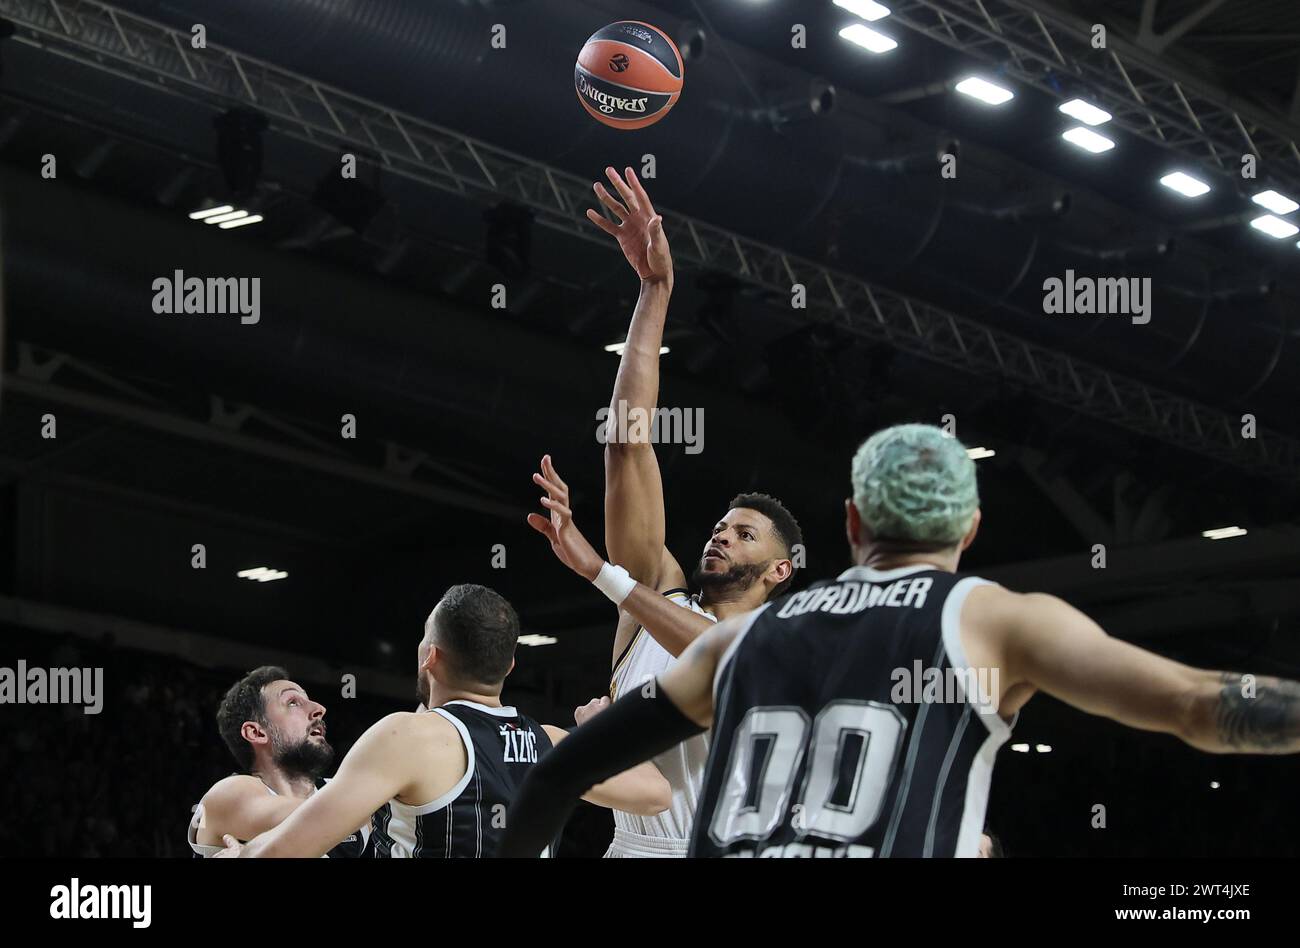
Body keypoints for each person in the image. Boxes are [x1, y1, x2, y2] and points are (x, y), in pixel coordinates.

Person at [499, 423, 1300, 858]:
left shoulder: (743, 642)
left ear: (851, 527)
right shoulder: (994, 619)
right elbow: (1201, 706)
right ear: (972, 528)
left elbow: (563, 770)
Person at [551, 166, 801, 857]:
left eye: (743, 534)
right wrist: (654, 292)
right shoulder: (652, 600)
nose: (721, 535)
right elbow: (628, 445)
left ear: (780, 569)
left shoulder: (781, 644)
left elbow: (720, 656)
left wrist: (604, 576)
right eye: (721, 525)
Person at [218, 584, 669, 857]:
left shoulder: (407, 737)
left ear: (430, 656)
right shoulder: (549, 743)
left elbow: (291, 848)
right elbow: (656, 794)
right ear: (509, 666)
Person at [188, 666, 369, 858]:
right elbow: (329, 816)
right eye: (293, 703)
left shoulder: (342, 794)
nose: (319, 709)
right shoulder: (227, 795)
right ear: (256, 732)